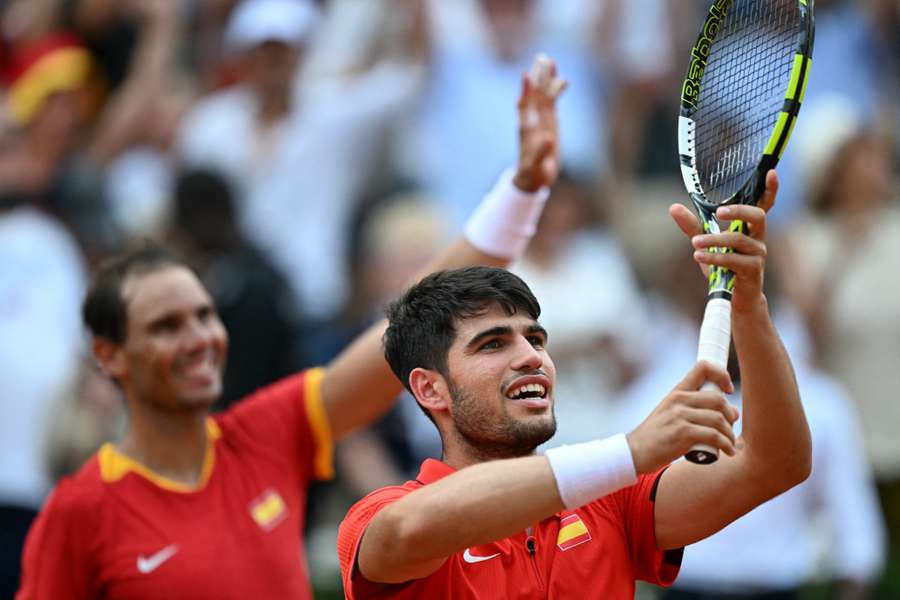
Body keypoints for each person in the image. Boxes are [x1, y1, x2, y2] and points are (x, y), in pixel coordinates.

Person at [15, 54, 567, 600]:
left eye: (205, 316)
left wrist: (520, 194)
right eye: (166, 326)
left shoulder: (265, 435)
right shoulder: (81, 509)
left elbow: (411, 320)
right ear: (110, 355)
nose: (199, 339)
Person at [337, 170, 812, 598]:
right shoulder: (383, 514)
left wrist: (749, 306)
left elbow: (777, 463)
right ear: (429, 389)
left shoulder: (609, 501)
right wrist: (630, 452)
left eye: (536, 339)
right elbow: (411, 530)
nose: (531, 357)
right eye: (492, 345)